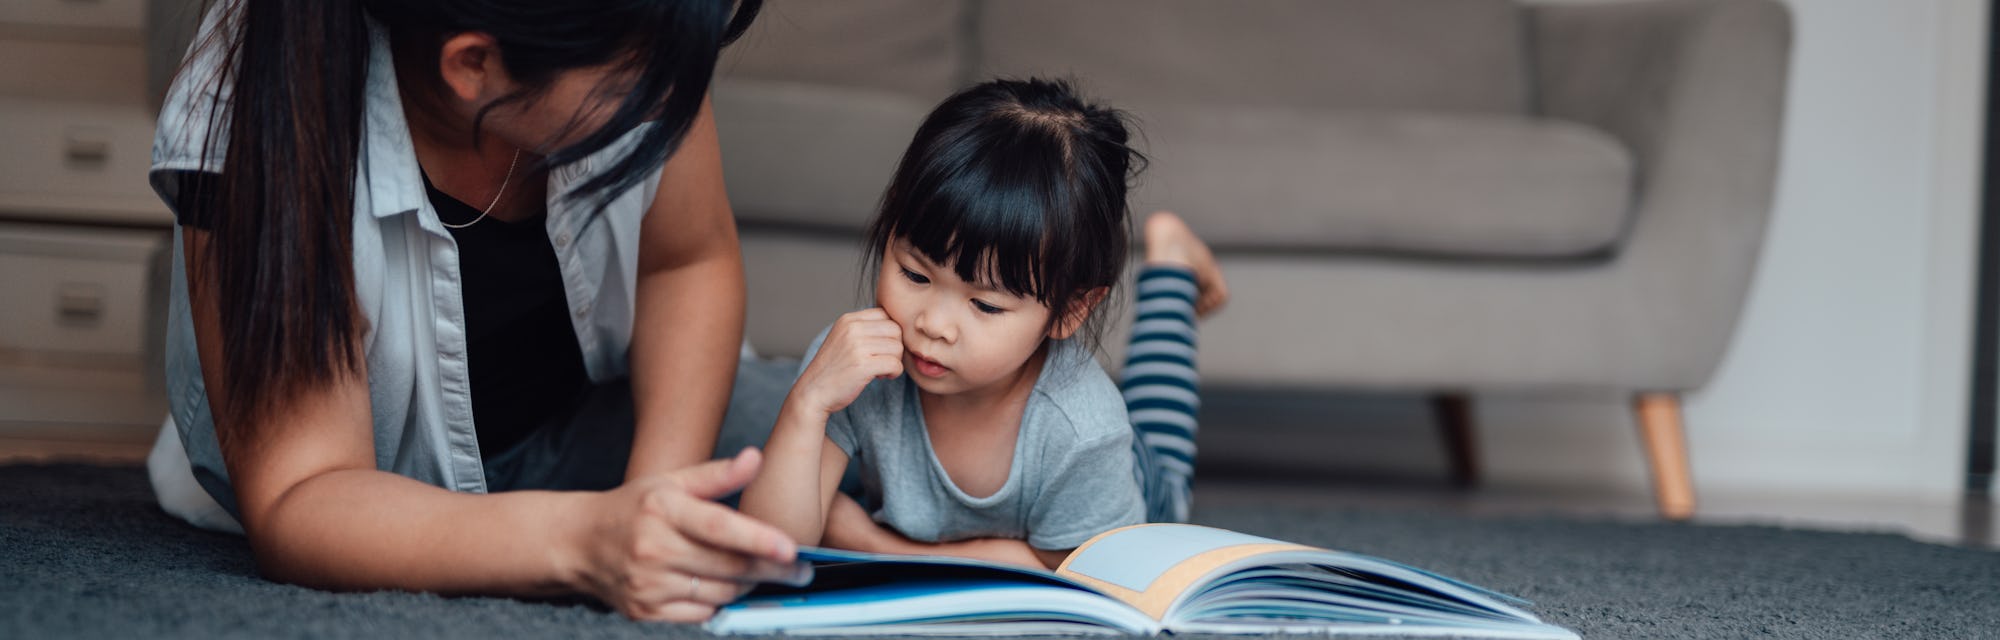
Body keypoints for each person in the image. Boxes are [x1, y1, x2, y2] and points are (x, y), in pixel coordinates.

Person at [145, 0, 804, 622]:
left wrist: (661, 505)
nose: (669, 103)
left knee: (855, 438)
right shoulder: (248, 99)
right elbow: (306, 496)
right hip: (357, 486)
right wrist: (592, 541)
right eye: (636, 82)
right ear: (472, 64)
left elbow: (687, 264)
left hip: (582, 424)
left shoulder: (635, 25)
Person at [738, 78, 1229, 570]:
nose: (932, 325)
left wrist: (877, 546)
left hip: (1121, 491)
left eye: (986, 305)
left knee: (1163, 462)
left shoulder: (1086, 429)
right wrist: (808, 403)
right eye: (914, 274)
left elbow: (1079, 572)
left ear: (1070, 312)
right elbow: (769, 550)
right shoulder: (854, 368)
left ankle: (1171, 266)